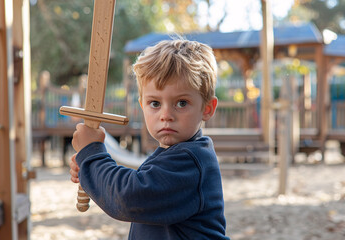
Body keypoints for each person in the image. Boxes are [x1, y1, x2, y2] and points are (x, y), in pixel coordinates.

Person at [70, 39, 230, 240]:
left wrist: (92, 155)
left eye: (181, 103)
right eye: (155, 103)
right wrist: (89, 169)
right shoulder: (172, 155)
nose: (166, 115)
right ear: (142, 105)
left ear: (207, 108)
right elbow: (134, 185)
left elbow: (129, 198)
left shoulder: (192, 160)